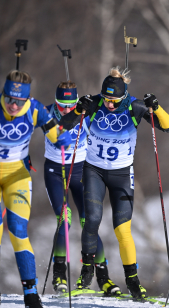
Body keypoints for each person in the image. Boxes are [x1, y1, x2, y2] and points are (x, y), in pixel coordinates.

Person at [58, 67, 169, 298]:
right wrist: (79, 108)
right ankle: (86, 275)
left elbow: (168, 126)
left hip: (121, 174)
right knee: (91, 220)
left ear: (124, 96)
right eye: (107, 99)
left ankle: (132, 281)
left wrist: (157, 106)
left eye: (115, 100)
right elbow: (66, 123)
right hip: (94, 171)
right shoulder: (94, 104)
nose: (110, 104)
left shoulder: (135, 106)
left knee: (123, 230)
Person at [0, 70, 68, 308]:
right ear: (3, 94)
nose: (13, 105)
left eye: (19, 101)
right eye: (9, 99)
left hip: (17, 174)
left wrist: (62, 138)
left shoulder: (36, 109)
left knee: (18, 230)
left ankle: (30, 293)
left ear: (27, 99)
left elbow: (55, 132)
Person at [43, 81, 120, 295]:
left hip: (81, 171)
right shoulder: (46, 112)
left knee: (89, 222)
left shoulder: (86, 113)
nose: (66, 109)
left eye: (70, 104)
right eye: (61, 104)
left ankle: (103, 278)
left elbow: (112, 110)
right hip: (55, 172)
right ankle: (59, 274)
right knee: (64, 220)